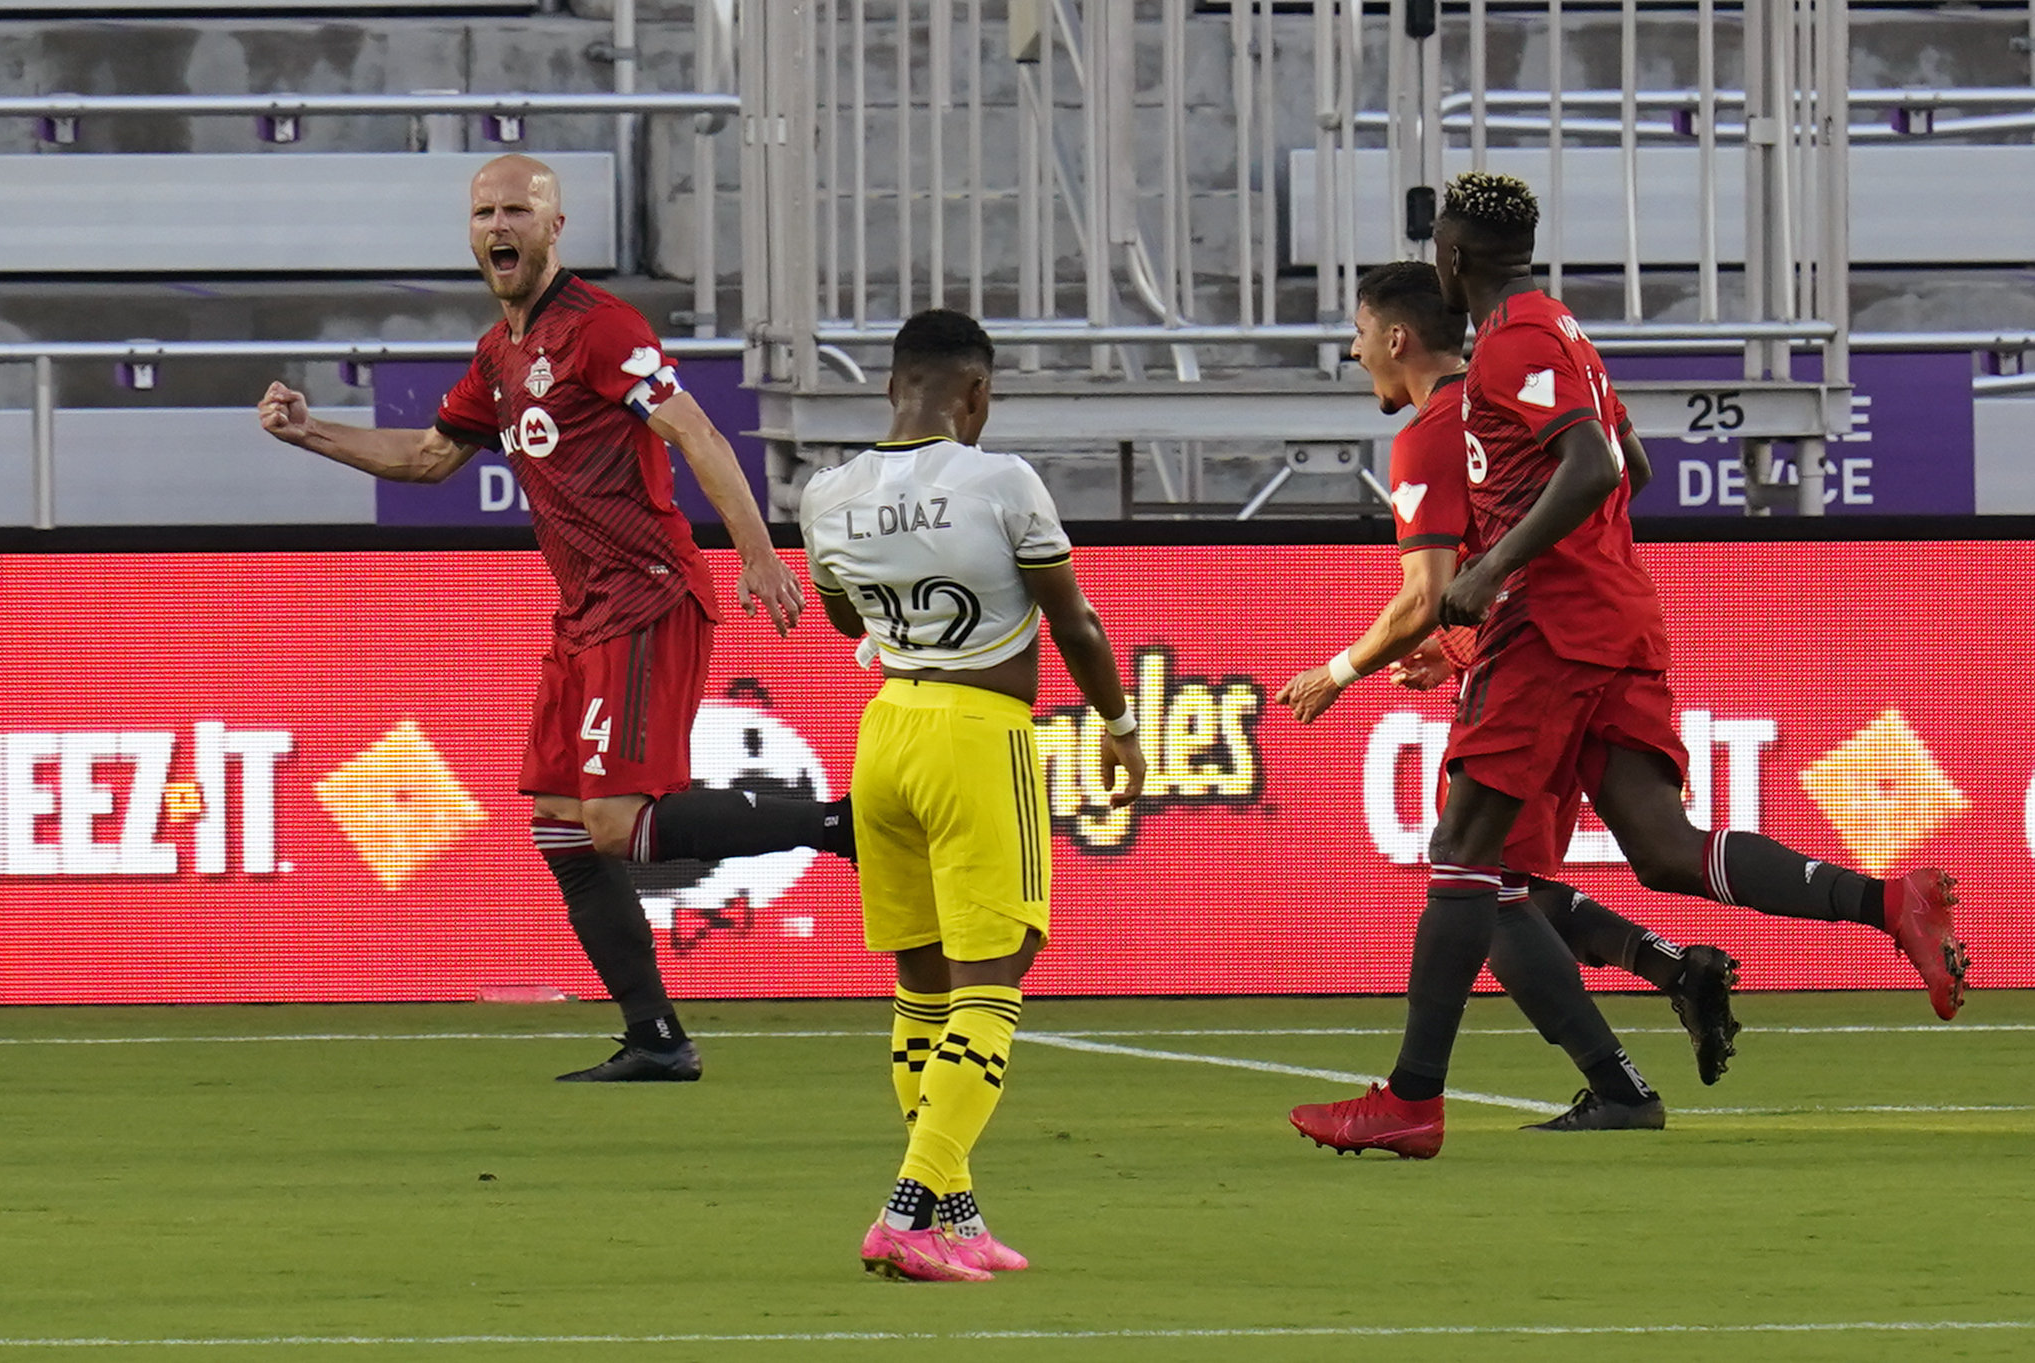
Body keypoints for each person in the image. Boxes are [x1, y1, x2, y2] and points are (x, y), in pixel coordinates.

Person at [1285, 172, 1969, 1160]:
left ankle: (1410, 1098)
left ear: (1450, 257)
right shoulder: (1558, 333)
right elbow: (1625, 464)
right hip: (1611, 618)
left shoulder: (1513, 344)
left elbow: (1598, 470)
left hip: (1553, 626)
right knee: (1658, 845)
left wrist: (1496, 564)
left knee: (1465, 855)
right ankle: (1888, 901)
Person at [259, 154, 852, 1083]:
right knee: (560, 826)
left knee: (614, 823)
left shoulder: (602, 328)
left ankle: (835, 827)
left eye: (518, 211)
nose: (500, 226)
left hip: (644, 594)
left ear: (553, 226)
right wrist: (310, 433)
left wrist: (759, 554)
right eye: (485, 212)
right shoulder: (500, 351)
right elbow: (426, 457)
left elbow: (694, 428)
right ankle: (655, 1036)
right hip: (580, 614)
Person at [1276, 262, 1738, 1155]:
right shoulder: (1513, 393)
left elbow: (1430, 591)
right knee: (1503, 889)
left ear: (1398, 337)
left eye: (1358, 329)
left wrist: (1340, 669)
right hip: (1554, 654)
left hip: (1533, 673)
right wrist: (1462, 647)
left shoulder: (1434, 430)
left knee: (1480, 885)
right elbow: (1607, 477)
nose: (1350, 347)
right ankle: (1659, 985)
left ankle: (1521, 1086)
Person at [799, 309, 1148, 1282]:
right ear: (977, 393)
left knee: (921, 988)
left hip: (883, 734)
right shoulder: (1000, 481)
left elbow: (841, 613)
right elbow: (1070, 620)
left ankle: (955, 1214)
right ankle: (907, 1209)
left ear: (890, 387)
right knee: (994, 980)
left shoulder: (826, 492)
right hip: (974, 736)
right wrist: (1118, 724)